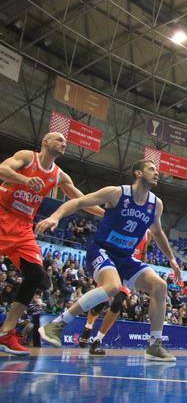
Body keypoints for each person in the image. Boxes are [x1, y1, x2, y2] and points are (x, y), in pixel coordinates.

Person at [36, 159, 182, 361]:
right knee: (112, 287)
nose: (157, 173)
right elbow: (79, 202)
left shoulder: (156, 204)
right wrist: (56, 216)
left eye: (157, 170)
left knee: (160, 285)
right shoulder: (117, 193)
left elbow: (157, 232)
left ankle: (154, 346)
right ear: (138, 173)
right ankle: (57, 324)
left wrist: (172, 260)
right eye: (151, 169)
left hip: (124, 257)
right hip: (101, 250)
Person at [0, 132, 103, 356]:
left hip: (23, 228)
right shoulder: (27, 157)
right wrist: (25, 180)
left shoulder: (59, 176)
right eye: (59, 139)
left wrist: (110, 215)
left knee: (37, 276)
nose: (64, 143)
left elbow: (82, 201)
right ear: (45, 142)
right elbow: (2, 169)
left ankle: (6, 333)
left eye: (65, 142)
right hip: (2, 213)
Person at [78, 230, 152, 355]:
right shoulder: (128, 224)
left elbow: (143, 252)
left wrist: (142, 270)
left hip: (128, 270)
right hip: (113, 266)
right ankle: (88, 326)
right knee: (100, 302)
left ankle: (97, 341)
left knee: (118, 303)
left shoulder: (149, 233)